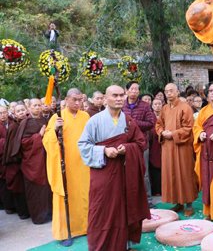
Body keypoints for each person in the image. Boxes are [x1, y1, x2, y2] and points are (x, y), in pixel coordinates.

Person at [78, 85, 150, 251]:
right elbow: (83, 145)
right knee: (101, 209)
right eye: (115, 95)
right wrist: (103, 150)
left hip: (124, 173)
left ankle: (123, 244)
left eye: (121, 95)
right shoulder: (94, 120)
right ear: (105, 98)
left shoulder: (128, 120)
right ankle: (101, 246)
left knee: (124, 208)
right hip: (103, 173)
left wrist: (127, 148)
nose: (119, 98)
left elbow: (140, 143)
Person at [43, 88, 90, 243]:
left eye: (80, 100)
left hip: (83, 164)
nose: (77, 103)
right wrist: (55, 129)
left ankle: (85, 227)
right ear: (67, 99)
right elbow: (47, 140)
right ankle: (65, 233)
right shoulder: (58, 116)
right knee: (65, 197)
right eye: (74, 100)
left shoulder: (85, 116)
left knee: (84, 195)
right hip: (66, 165)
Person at [155, 83, 198, 217]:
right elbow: (158, 124)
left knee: (184, 173)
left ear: (177, 92)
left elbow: (189, 128)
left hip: (182, 147)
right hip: (168, 147)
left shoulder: (185, 108)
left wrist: (172, 134)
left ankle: (189, 204)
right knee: (171, 174)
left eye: (171, 90)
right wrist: (162, 132)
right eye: (166, 91)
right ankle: (178, 202)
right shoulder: (165, 108)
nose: (168, 93)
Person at [16, 99, 52, 224]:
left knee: (48, 189)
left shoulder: (45, 120)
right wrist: (39, 136)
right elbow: (23, 143)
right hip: (33, 162)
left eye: (39, 105)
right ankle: (39, 217)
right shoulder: (26, 123)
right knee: (36, 191)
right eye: (35, 105)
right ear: (29, 107)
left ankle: (49, 214)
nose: (37, 107)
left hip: (46, 158)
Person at [193, 82, 213, 220]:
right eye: (211, 90)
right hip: (206, 151)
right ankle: (210, 211)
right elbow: (196, 126)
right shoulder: (204, 111)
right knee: (208, 180)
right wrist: (200, 133)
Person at [122, 81, 155, 208]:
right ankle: (129, 200)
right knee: (126, 172)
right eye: (132, 89)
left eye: (137, 89)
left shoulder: (145, 106)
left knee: (144, 172)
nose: (134, 91)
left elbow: (151, 123)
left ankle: (148, 200)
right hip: (124, 144)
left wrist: (134, 123)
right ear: (127, 90)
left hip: (142, 144)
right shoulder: (121, 105)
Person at [2, 104, 30, 219]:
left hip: (25, 160)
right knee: (19, 188)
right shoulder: (14, 126)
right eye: (18, 111)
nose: (21, 113)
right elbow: (12, 146)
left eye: (23, 110)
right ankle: (22, 212)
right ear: (14, 113)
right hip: (15, 162)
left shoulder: (28, 123)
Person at [149, 99, 162, 196]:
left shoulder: (165, 115)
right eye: (155, 104)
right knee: (154, 166)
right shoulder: (150, 116)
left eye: (159, 104)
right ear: (152, 106)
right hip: (153, 144)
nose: (157, 106)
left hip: (163, 143)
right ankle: (155, 189)